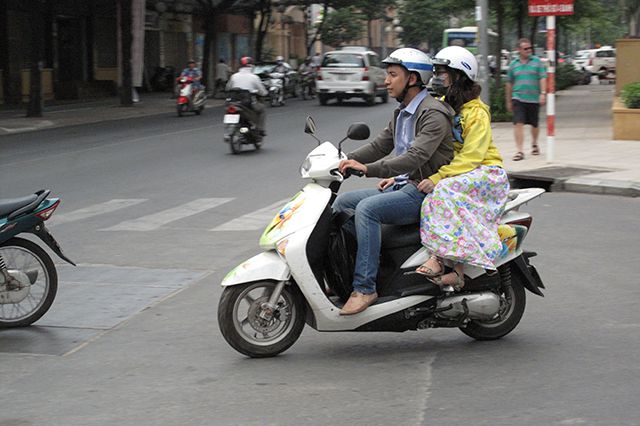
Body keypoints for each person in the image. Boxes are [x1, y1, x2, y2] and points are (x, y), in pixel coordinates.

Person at [332, 48, 455, 315]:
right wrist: (341, 160)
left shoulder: (433, 113)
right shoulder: (402, 112)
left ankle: (365, 288)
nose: (386, 81)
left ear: (412, 79)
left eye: (392, 75)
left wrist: (367, 169)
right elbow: (379, 145)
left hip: (426, 191)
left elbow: (415, 157)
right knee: (342, 203)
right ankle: (354, 268)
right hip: (405, 184)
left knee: (368, 209)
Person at [415, 46, 510, 291]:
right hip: (464, 173)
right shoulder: (445, 106)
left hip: (487, 173)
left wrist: (438, 177)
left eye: (442, 72)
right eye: (435, 72)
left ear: (459, 76)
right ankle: (457, 271)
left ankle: (438, 259)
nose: (436, 78)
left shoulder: (476, 113)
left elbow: (472, 156)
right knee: (444, 201)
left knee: (442, 193)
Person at [505, 38, 547, 161]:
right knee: (518, 123)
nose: (529, 50)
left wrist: (543, 93)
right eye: (525, 48)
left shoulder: (537, 62)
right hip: (518, 97)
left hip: (533, 98)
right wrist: (508, 101)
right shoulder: (513, 65)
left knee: (534, 124)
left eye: (530, 48)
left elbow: (542, 78)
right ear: (519, 50)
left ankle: (534, 143)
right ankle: (519, 150)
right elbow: (509, 83)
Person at [226, 56, 268, 136]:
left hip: (233, 102)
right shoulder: (254, 77)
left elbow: (228, 88)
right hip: (248, 103)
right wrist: (263, 94)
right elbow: (263, 92)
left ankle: (228, 131)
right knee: (262, 109)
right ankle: (260, 129)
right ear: (251, 66)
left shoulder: (234, 76)